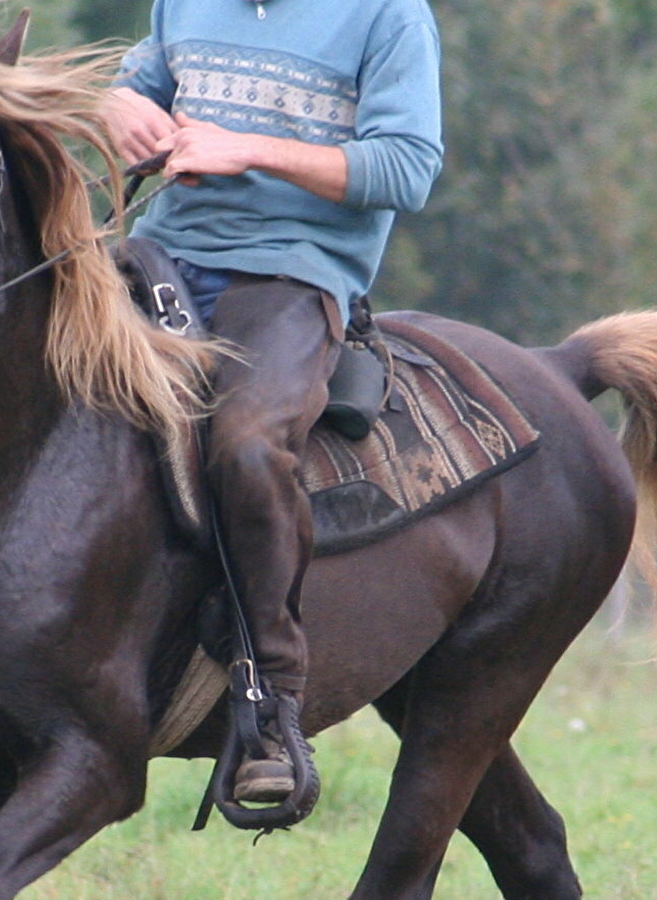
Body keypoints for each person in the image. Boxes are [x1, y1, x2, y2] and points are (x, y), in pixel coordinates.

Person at [103, 0, 443, 805]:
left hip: (293, 270)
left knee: (247, 446)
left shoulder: (389, 17)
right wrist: (117, 108)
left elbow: (405, 169)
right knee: (8, 369)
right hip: (159, 249)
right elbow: (133, 87)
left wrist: (244, 148)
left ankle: (270, 698)